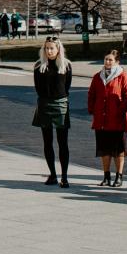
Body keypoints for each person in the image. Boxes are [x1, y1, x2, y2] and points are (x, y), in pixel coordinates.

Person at [32, 36, 73, 187]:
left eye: (52, 48)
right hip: (44, 104)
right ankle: (53, 175)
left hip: (61, 104)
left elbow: (67, 87)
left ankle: (65, 177)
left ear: (58, 49)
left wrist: (59, 98)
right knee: (47, 142)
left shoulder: (66, 65)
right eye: (46, 48)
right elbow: (37, 87)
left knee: (63, 143)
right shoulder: (39, 66)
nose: (49, 51)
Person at [88, 49, 127, 186]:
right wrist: (93, 110)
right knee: (104, 149)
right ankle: (106, 176)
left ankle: (119, 176)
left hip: (117, 120)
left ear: (117, 62)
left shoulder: (122, 76)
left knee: (118, 150)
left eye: (110, 60)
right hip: (101, 120)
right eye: (106, 59)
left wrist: (120, 111)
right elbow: (91, 95)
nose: (107, 62)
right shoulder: (97, 76)